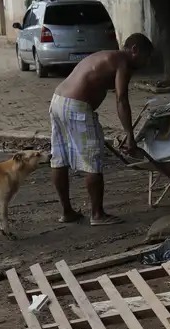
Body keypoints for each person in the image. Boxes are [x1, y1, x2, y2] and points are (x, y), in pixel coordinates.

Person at [49, 33, 153, 225]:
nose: (147, 63)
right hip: (77, 107)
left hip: (58, 101)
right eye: (146, 57)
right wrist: (130, 136)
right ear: (134, 50)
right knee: (92, 159)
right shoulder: (123, 62)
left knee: (59, 157)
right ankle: (97, 214)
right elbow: (121, 99)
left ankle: (67, 212)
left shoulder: (107, 56)